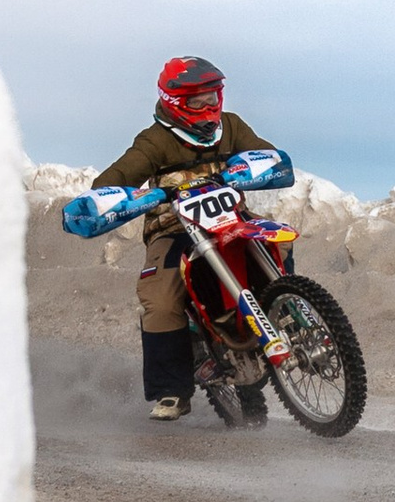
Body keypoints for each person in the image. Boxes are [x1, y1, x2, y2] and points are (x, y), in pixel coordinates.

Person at [89, 56, 285, 421]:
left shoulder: (230, 126)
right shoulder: (154, 141)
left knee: (280, 239)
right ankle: (171, 392)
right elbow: (110, 181)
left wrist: (262, 165)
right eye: (198, 100)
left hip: (231, 218)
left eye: (213, 97)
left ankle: (287, 309)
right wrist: (120, 196)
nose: (209, 107)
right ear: (176, 102)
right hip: (174, 228)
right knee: (160, 298)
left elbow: (265, 154)